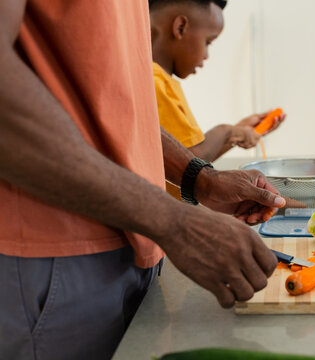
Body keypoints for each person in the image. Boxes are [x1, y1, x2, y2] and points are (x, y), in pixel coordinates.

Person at [0, 1, 285, 359]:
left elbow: (116, 106)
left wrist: (199, 177)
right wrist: (175, 221)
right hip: (54, 256)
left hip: (134, 250)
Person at [149, 0, 286, 164]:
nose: (207, 55)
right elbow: (186, 165)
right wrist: (226, 132)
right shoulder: (155, 84)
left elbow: (192, 162)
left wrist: (236, 132)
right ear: (180, 28)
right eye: (208, 42)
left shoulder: (162, 81)